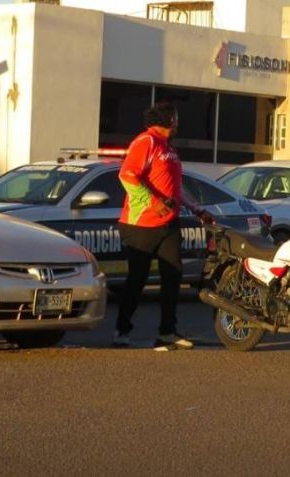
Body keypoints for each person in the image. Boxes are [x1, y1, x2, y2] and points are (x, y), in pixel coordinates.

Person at [112, 102, 213, 351]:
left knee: (173, 275)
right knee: (138, 279)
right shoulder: (146, 142)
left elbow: (176, 187)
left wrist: (197, 208)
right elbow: (126, 175)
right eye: (176, 117)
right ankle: (121, 331)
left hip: (168, 223)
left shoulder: (169, 148)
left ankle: (167, 331)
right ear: (168, 119)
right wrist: (152, 202)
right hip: (141, 225)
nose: (178, 122)